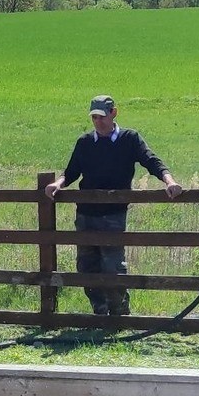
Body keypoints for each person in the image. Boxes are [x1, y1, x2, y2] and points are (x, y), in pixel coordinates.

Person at [46, 94, 183, 317]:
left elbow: (151, 160)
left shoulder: (130, 139)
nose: (98, 122)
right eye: (94, 118)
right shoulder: (85, 142)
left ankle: (119, 314)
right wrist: (58, 183)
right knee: (86, 266)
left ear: (113, 113)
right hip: (86, 213)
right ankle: (100, 312)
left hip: (113, 214)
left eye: (102, 116)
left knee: (113, 268)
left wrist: (170, 181)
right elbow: (72, 171)